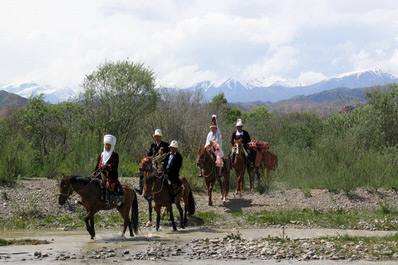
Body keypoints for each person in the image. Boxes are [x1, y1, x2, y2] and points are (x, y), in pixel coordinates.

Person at [136, 129, 169, 195]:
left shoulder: (165, 144)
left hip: (160, 164)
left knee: (162, 175)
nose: (157, 138)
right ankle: (141, 189)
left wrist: (162, 150)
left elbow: (167, 151)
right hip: (152, 163)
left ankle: (165, 190)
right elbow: (150, 154)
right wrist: (148, 157)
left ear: (160, 137)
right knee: (143, 173)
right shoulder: (153, 145)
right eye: (156, 136)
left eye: (158, 136)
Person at [93, 134, 121, 206]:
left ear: (111, 146)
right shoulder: (101, 155)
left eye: (108, 145)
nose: (107, 147)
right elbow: (97, 165)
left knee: (107, 185)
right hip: (100, 173)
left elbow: (114, 166)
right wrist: (94, 172)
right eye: (106, 145)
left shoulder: (115, 155)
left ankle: (107, 200)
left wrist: (105, 167)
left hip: (110, 175)